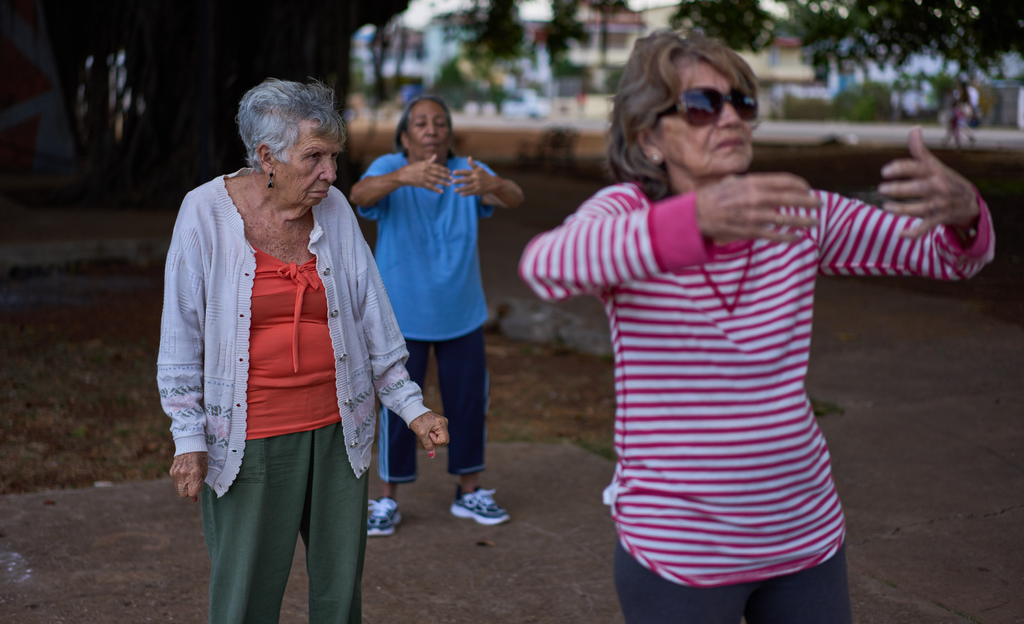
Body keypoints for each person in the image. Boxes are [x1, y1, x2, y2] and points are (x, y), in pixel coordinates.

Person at [518, 31, 993, 624]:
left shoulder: (792, 213)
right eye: (700, 105)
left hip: (804, 538)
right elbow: (546, 266)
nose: (730, 117)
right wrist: (692, 220)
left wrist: (966, 211)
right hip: (679, 551)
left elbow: (947, 257)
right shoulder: (626, 215)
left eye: (741, 102)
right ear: (648, 137)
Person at [158, 78, 450, 623]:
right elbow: (180, 339)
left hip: (341, 433)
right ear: (267, 156)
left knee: (340, 599)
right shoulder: (203, 213)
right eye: (315, 157)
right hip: (250, 440)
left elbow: (373, 321)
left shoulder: (335, 208)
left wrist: (413, 408)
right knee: (244, 598)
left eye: (334, 157)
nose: (331, 174)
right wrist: (189, 438)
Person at [349, 94, 525, 536]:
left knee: (468, 404)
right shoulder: (390, 167)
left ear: (449, 133)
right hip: (401, 318)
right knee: (397, 408)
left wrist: (494, 186)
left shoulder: (468, 171)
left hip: (461, 314)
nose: (432, 129)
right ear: (405, 137)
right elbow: (357, 195)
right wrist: (402, 177)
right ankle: (386, 499)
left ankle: (470, 492)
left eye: (440, 122)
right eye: (421, 123)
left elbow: (516, 197)